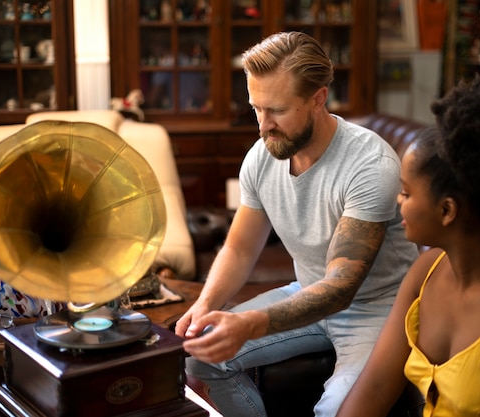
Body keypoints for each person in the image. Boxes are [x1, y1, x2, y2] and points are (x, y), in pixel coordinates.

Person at [174, 31, 419, 416]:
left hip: (378, 308)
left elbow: (340, 289)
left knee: (335, 412)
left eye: (277, 110)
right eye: (256, 107)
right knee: (201, 357)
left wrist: (251, 324)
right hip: (305, 292)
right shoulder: (261, 156)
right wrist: (205, 305)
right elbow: (239, 248)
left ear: (318, 98)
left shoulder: (370, 164)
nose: (263, 125)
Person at [336, 76, 480, 417]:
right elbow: (375, 388)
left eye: (407, 192)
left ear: (447, 210)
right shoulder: (425, 272)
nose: (399, 202)